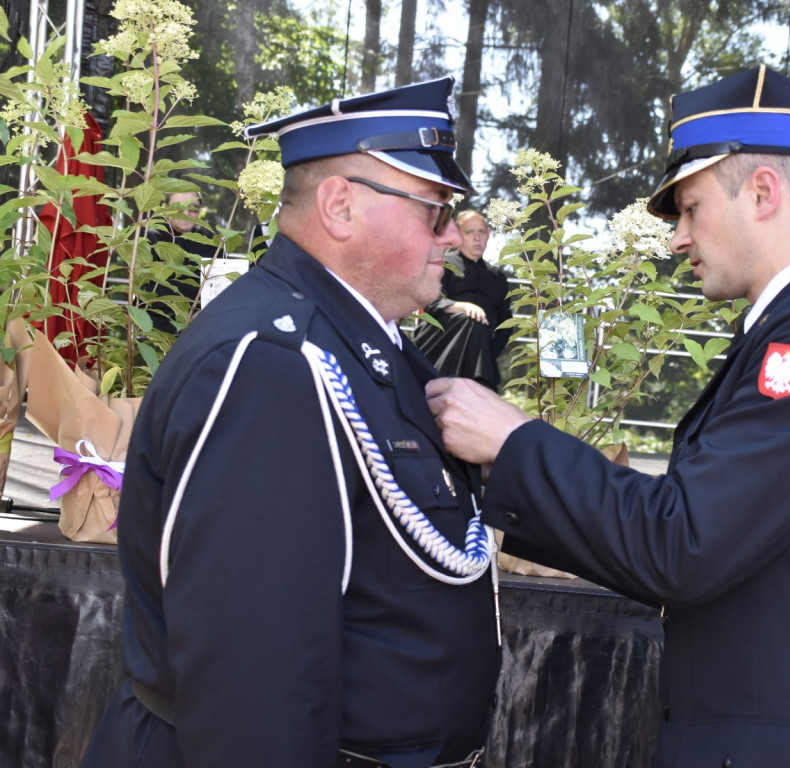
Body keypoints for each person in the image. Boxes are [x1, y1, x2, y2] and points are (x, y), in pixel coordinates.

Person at [426, 65, 790, 768]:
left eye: (690, 208)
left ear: (762, 192)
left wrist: (515, 443)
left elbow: (685, 543)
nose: (676, 239)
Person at [81, 77, 500, 768]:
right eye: (435, 211)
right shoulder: (271, 363)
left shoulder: (363, 342)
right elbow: (254, 683)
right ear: (340, 206)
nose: (453, 237)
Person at [410, 210, 511, 390]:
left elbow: (506, 325)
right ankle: (479, 387)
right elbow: (430, 302)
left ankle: (475, 380)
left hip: (479, 353)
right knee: (471, 320)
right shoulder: (443, 263)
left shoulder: (498, 278)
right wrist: (461, 307)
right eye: (469, 232)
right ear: (458, 234)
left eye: (481, 232)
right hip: (439, 343)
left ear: (488, 234)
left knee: (479, 326)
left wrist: (487, 354)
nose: (476, 238)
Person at [146, 190, 217, 334]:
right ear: (165, 209)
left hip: (199, 327)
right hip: (154, 327)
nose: (185, 214)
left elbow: (218, 287)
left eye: (192, 208)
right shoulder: (148, 239)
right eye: (178, 208)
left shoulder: (212, 243)